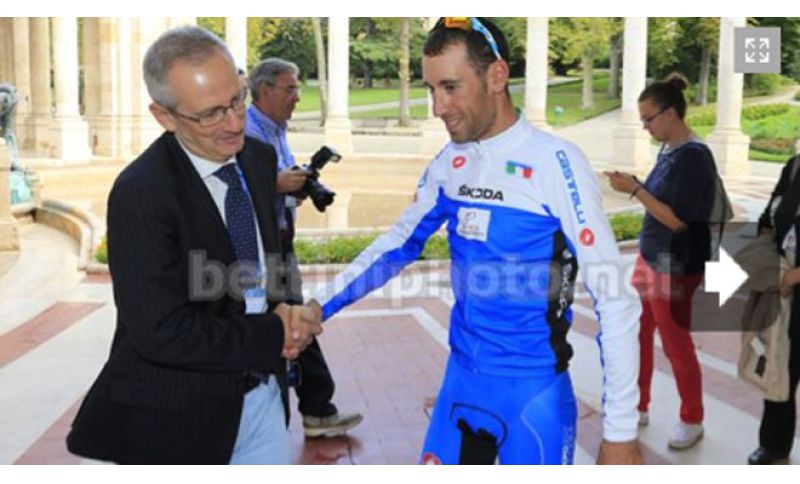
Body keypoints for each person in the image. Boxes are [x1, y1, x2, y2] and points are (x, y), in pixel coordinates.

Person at [309, 17, 643, 464]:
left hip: (534, 399)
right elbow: (397, 245)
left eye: (450, 87)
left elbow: (615, 299)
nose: (437, 107)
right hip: (461, 385)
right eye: (431, 90)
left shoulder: (556, 163)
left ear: (497, 76)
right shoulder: (451, 162)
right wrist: (317, 306)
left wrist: (620, 434)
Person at [65, 26, 322, 464]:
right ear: (164, 116)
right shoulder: (141, 193)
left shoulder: (257, 159)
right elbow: (161, 332)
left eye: (237, 100)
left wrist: (290, 313)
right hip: (179, 421)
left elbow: (259, 273)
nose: (234, 123)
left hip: (263, 403)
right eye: (210, 114)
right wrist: (272, 333)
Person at [245, 57, 363, 438]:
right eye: (291, 88)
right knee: (284, 323)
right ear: (265, 90)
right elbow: (232, 187)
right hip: (259, 251)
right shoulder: (245, 131)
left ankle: (315, 408)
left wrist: (297, 187)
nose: (298, 96)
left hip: (281, 245)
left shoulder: (276, 129)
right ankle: (309, 409)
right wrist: (275, 184)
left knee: (295, 320)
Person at [605, 74, 719, 451]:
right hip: (650, 256)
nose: (645, 126)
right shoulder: (669, 150)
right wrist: (636, 183)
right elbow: (662, 200)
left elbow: (678, 220)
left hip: (675, 263)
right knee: (638, 332)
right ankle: (638, 404)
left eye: (649, 119)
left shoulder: (694, 157)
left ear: (670, 114)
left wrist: (635, 190)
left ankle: (692, 418)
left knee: (675, 343)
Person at [747, 153, 800, 464]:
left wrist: (793, 277)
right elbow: (769, 218)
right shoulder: (794, 167)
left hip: (790, 282)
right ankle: (774, 445)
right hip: (785, 293)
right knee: (781, 366)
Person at [0, 82, 21, 171]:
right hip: (10, 99)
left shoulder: (4, 98)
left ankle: (13, 161)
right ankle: (13, 161)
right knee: (8, 133)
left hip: (9, 100)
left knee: (8, 133)